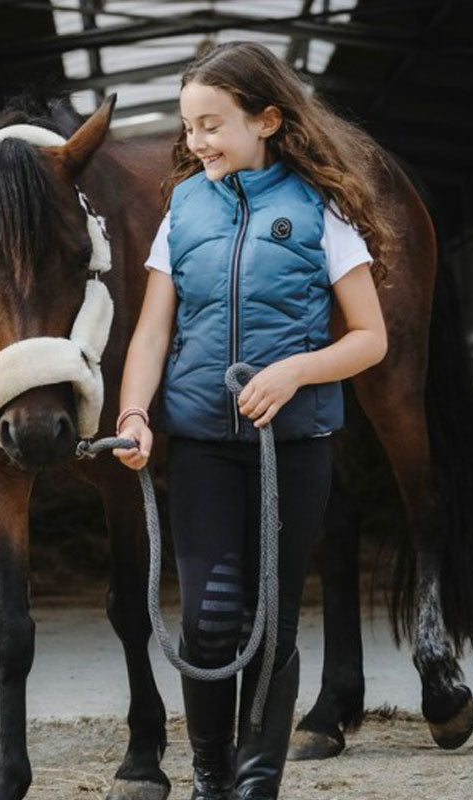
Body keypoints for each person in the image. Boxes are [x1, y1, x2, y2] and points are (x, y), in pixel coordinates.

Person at [113, 43, 389, 800]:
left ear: (267, 119)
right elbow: (152, 332)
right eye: (189, 127)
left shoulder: (320, 208)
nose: (197, 141)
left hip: (292, 448)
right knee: (207, 620)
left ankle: (257, 786)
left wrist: (296, 370)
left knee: (272, 626)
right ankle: (211, 779)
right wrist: (135, 413)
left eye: (212, 124)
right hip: (201, 445)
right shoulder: (183, 209)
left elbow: (370, 337)